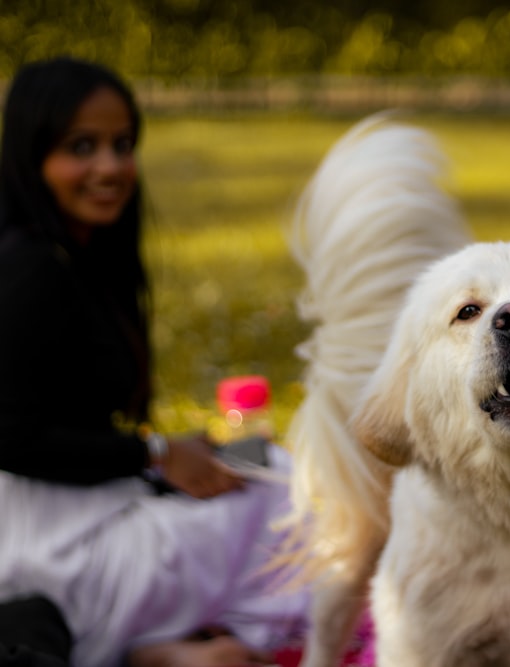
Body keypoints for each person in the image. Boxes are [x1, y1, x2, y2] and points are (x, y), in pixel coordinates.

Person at [0, 57, 309, 667]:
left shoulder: (74, 261)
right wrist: (158, 454)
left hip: (89, 504)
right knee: (292, 499)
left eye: (122, 145)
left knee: (262, 460)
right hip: (50, 553)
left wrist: (167, 453)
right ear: (30, 156)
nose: (110, 167)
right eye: (81, 147)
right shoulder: (27, 269)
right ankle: (149, 647)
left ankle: (161, 644)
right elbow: (12, 438)